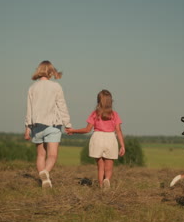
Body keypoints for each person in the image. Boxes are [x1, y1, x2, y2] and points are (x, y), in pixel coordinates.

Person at [24, 60, 72, 188]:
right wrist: (67, 123)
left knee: (40, 154)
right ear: (51, 72)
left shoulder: (32, 88)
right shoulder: (56, 87)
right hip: (53, 124)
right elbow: (62, 106)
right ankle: (46, 172)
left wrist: (27, 128)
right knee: (52, 155)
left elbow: (29, 109)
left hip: (37, 125)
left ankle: (44, 180)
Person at [66, 90, 125, 189]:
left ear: (98, 101)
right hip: (110, 138)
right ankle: (107, 180)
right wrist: (122, 145)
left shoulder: (95, 114)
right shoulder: (115, 115)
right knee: (109, 167)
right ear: (111, 101)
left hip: (97, 138)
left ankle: (101, 185)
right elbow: (118, 130)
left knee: (100, 166)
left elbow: (87, 129)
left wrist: (74, 130)